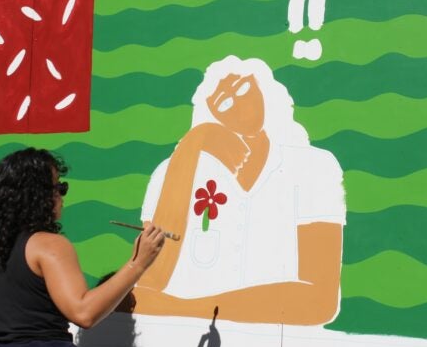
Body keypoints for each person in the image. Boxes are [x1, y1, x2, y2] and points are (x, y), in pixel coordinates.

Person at [134, 55, 345, 325]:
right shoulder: (172, 171)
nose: (238, 106)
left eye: (244, 89)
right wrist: (192, 145)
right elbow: (148, 281)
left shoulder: (314, 167)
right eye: (223, 102)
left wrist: (192, 310)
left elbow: (318, 301)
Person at [0, 148, 165, 347]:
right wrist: (138, 263)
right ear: (38, 195)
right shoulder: (49, 245)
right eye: (59, 187)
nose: (62, 196)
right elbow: (84, 313)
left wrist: (13, 320)